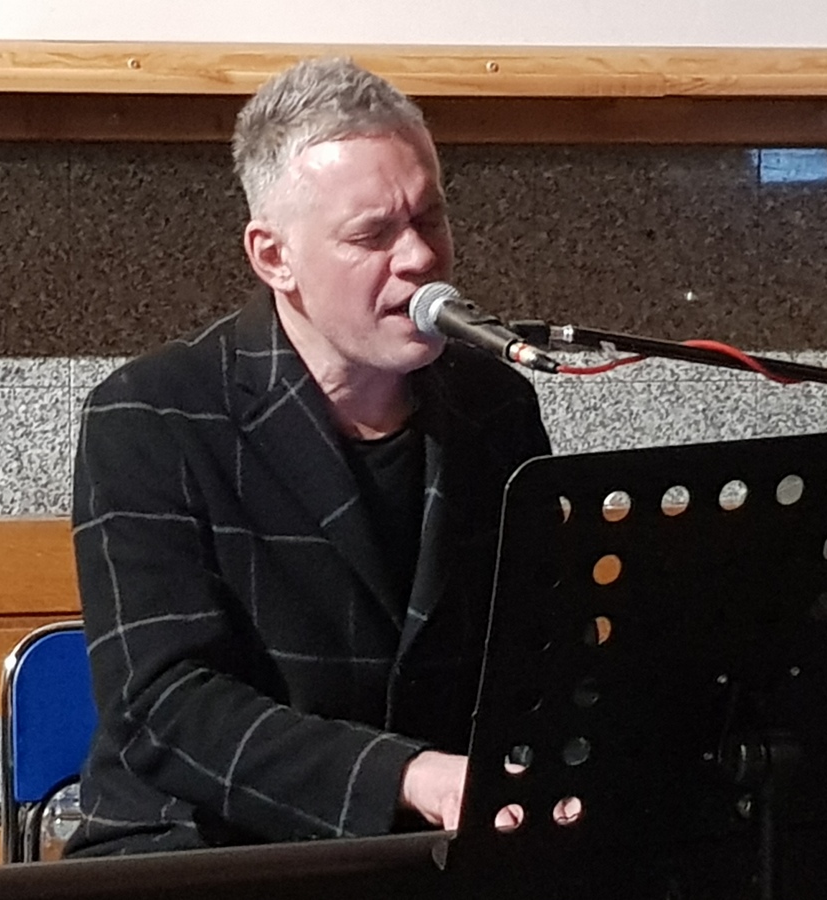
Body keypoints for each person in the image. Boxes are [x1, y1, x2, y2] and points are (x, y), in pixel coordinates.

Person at [65, 57, 551, 857]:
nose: (419, 257)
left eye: (429, 219)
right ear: (274, 257)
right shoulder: (152, 415)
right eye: (372, 235)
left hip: (442, 845)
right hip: (209, 848)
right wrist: (405, 776)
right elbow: (163, 705)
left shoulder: (492, 404)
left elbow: (536, 652)